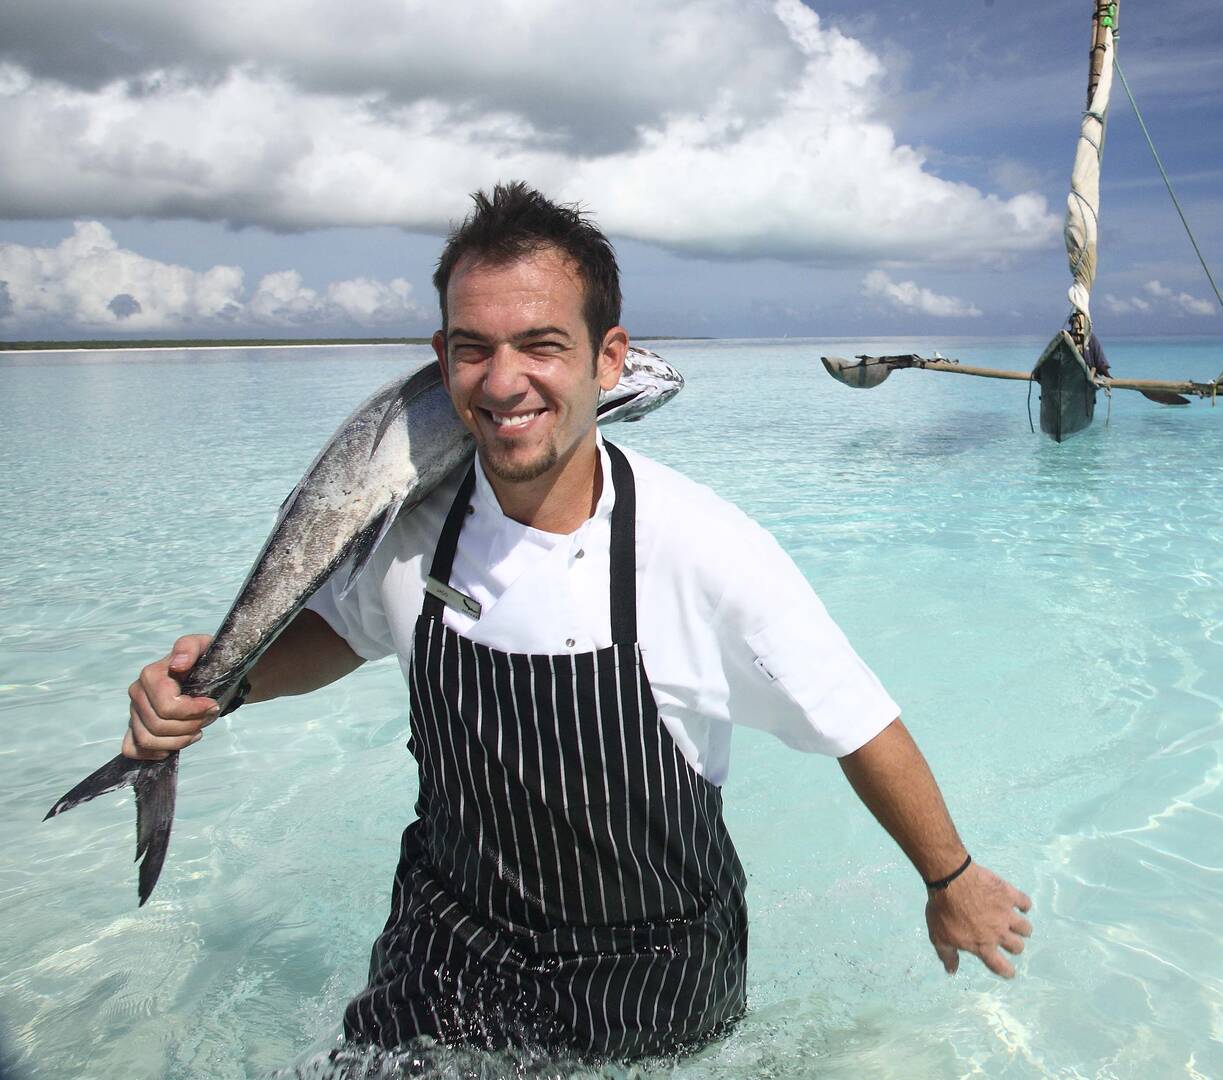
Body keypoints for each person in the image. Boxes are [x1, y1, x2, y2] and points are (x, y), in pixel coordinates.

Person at [119, 182, 1032, 1060]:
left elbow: (857, 719)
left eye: (541, 344)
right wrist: (223, 688)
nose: (504, 380)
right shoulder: (412, 535)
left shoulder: (702, 548)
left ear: (608, 359)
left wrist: (950, 880)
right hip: (449, 942)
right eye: (474, 347)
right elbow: (341, 634)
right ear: (441, 361)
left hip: (654, 971)